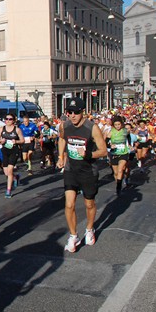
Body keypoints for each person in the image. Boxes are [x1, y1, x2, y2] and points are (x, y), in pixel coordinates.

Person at [57, 97, 107, 253]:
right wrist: (61, 157)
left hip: (88, 171)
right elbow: (61, 140)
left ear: (82, 112)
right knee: (69, 204)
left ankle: (90, 228)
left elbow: (103, 151)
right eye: (69, 112)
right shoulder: (64, 126)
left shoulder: (92, 128)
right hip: (71, 169)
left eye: (76, 112)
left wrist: (88, 154)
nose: (72, 115)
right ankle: (73, 235)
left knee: (89, 204)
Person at [0, 113, 25, 198]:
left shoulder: (17, 130)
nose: (8, 121)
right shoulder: (2, 128)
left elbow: (22, 140)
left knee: (10, 170)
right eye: (6, 119)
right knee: (6, 172)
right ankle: (15, 177)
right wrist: (1, 141)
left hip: (14, 150)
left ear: (14, 120)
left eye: (10, 119)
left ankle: (8, 190)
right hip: (5, 150)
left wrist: (16, 142)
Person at [106, 115, 131, 195]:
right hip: (114, 153)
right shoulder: (111, 132)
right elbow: (106, 142)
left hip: (123, 153)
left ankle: (118, 188)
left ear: (122, 124)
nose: (117, 126)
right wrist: (110, 146)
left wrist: (129, 145)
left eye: (119, 124)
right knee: (116, 173)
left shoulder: (125, 131)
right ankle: (118, 184)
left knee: (120, 170)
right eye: (116, 125)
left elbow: (128, 137)